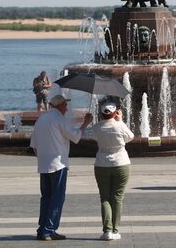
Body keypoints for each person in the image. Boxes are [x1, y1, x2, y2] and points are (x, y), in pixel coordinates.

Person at [30, 95, 93, 241]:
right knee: (57, 198)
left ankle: (42, 229)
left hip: (44, 165)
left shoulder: (42, 119)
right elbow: (76, 136)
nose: (67, 107)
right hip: (58, 164)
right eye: (65, 104)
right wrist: (85, 123)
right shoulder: (59, 119)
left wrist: (42, 159)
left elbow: (34, 145)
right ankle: (48, 230)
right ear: (60, 105)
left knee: (46, 198)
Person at [92, 102, 134, 241]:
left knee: (104, 197)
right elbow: (130, 137)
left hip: (102, 164)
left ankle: (107, 231)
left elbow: (95, 138)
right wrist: (120, 120)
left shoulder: (97, 127)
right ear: (115, 112)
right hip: (121, 163)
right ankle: (115, 230)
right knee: (117, 197)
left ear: (102, 113)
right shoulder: (119, 125)